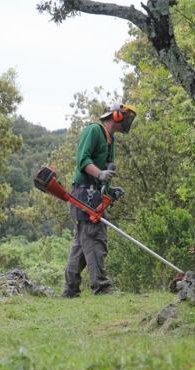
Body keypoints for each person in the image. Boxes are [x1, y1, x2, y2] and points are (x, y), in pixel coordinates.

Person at [61, 103, 137, 298]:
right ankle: (101, 287)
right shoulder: (94, 130)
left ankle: (70, 290)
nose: (129, 121)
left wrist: (111, 191)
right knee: (95, 238)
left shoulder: (110, 140)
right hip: (83, 195)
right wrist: (100, 173)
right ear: (116, 116)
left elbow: (105, 177)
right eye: (127, 116)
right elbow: (83, 160)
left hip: (94, 194)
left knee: (81, 243)